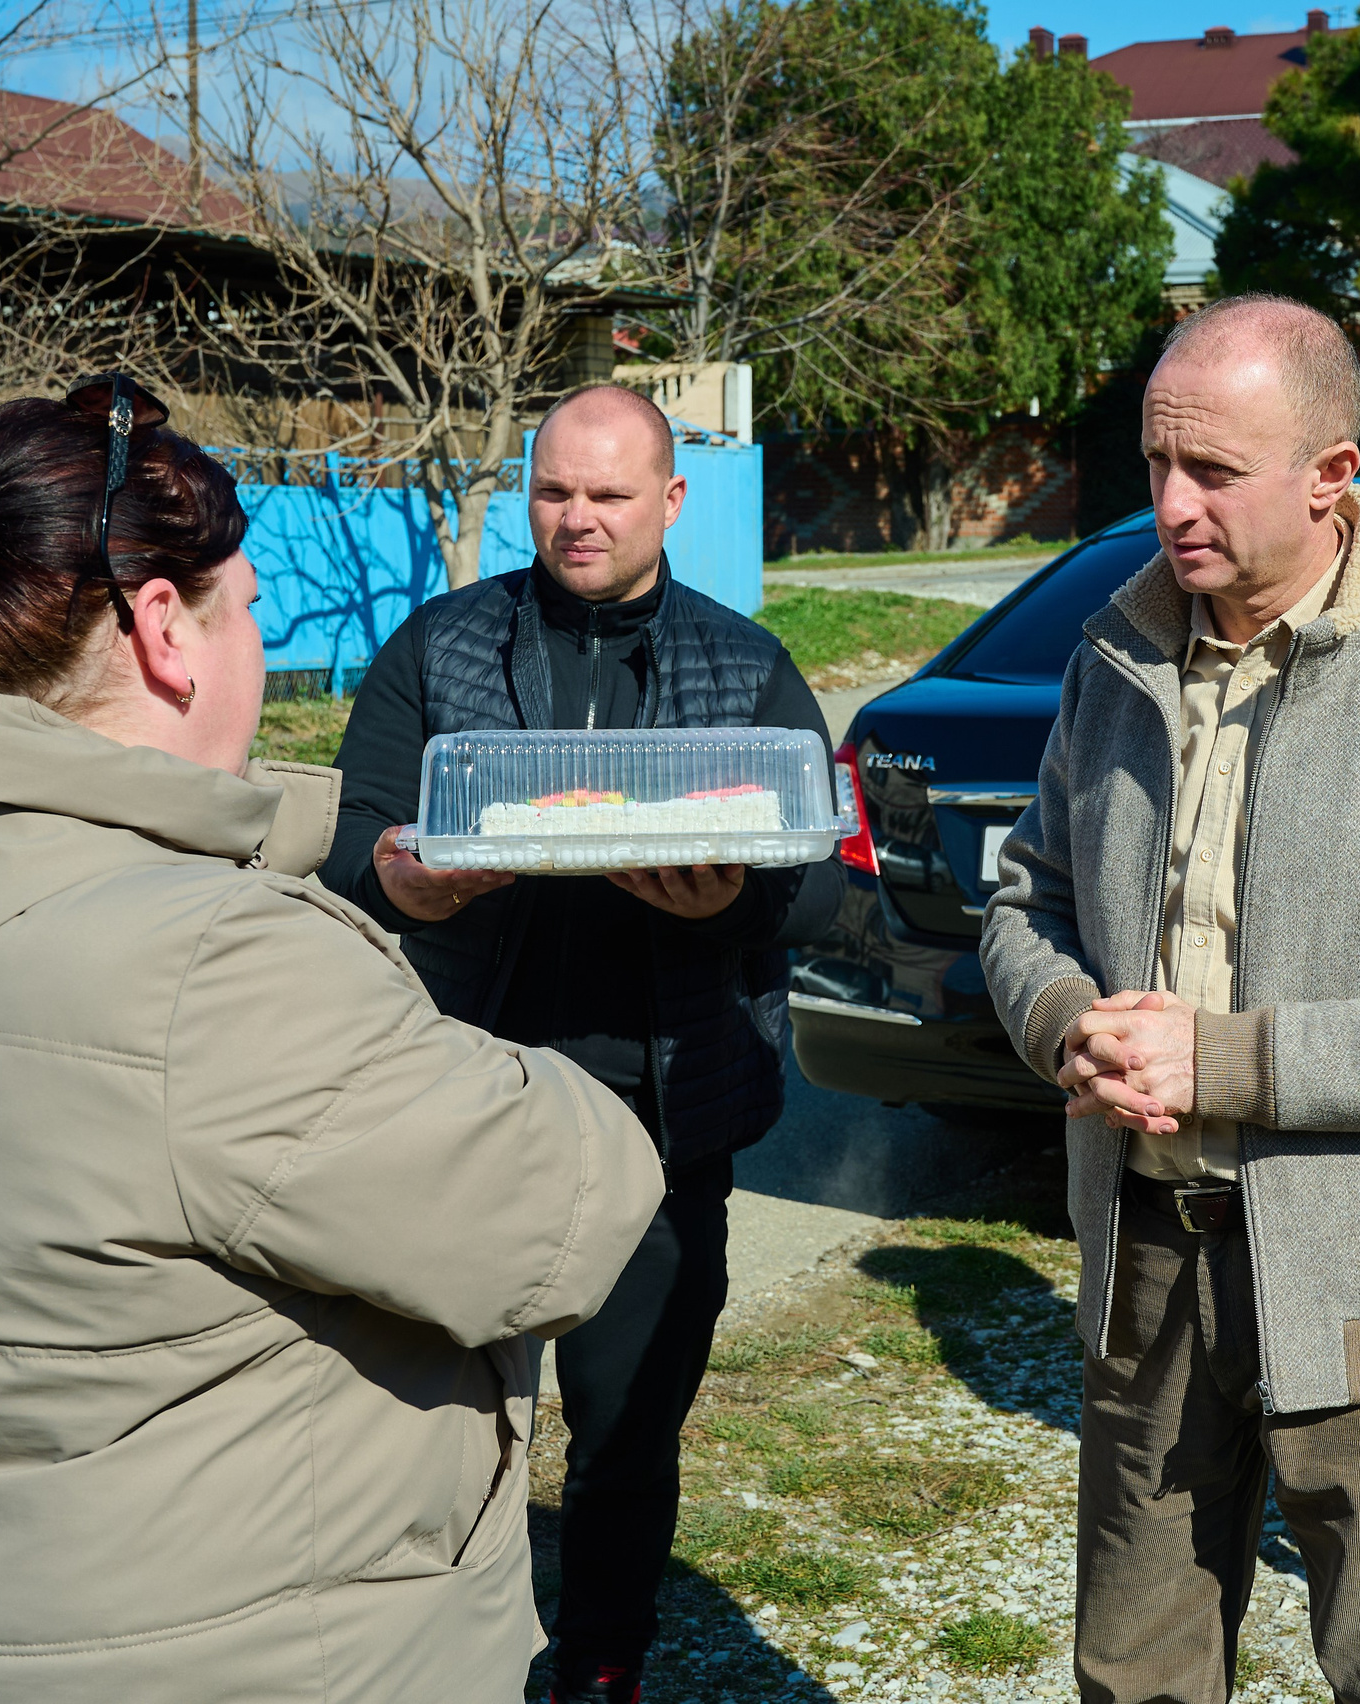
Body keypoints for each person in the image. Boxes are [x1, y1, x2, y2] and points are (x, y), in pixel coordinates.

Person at [0, 378, 665, 1702]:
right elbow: (563, 1213)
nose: (260, 652)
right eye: (252, 616)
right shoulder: (209, 966)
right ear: (167, 629)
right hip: (236, 1652)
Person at [979, 293, 1360, 1704]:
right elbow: (1026, 901)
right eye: (1156, 465)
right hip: (1149, 1254)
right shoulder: (1113, 659)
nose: (1170, 503)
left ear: (1332, 476)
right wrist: (1063, 1017)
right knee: (1135, 1667)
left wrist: (1231, 1064)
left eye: (1213, 470)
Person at [320, 382, 840, 1704]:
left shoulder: (745, 666)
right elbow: (351, 848)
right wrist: (406, 880)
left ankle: (602, 1660)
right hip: (459, 1103)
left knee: (624, 1429)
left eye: (611, 496)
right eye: (555, 492)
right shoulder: (441, 648)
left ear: (672, 502)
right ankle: (436, 1663)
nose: (578, 520)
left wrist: (733, 899)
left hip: (655, 1124)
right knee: (435, 1424)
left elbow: (821, 880)